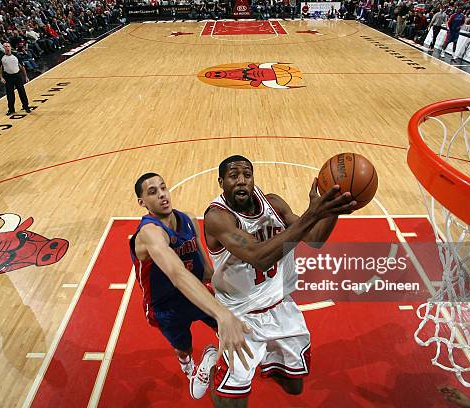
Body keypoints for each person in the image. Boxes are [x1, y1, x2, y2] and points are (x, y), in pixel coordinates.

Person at [204, 155, 356, 404]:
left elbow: (315, 239)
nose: (241, 181)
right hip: (240, 316)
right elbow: (259, 257)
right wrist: (311, 214)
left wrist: (331, 210)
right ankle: (212, 363)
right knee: (233, 400)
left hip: (279, 306)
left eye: (247, 175)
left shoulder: (273, 204)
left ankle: (263, 356)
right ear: (221, 182)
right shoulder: (217, 217)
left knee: (293, 386)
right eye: (233, 176)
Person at [130, 172, 253, 400]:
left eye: (163, 188)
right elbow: (177, 274)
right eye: (152, 192)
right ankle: (187, 363)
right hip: (166, 307)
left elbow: (203, 265)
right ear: (142, 202)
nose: (162, 195)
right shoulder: (150, 233)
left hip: (197, 293)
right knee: (183, 347)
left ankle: (210, 360)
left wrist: (231, 290)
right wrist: (222, 313)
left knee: (234, 333)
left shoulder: (188, 219)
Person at [0, 43, 30, 116]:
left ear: (10, 47)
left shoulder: (16, 55)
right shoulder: (1, 57)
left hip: (17, 76)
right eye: (5, 46)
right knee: (10, 94)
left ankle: (26, 107)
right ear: (3, 48)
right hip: (8, 77)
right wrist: (1, 77)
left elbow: (22, 66)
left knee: (22, 92)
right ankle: (11, 109)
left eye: (8, 46)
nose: (7, 48)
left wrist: (26, 76)